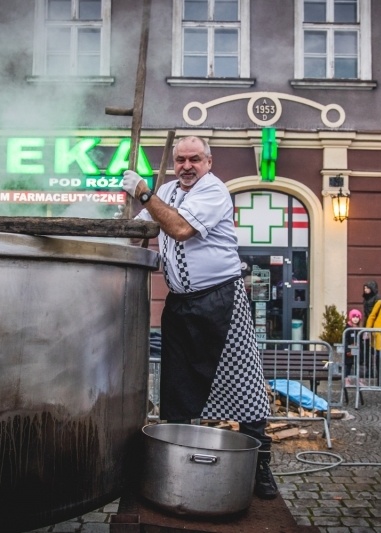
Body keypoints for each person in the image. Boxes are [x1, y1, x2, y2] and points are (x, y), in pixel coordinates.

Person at [120, 136, 278, 499]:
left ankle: (259, 470)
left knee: (244, 384)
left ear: (208, 161)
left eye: (194, 159)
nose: (187, 166)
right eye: (181, 160)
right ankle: (173, 468)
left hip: (222, 298)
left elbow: (179, 229)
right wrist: (125, 227)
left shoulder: (214, 190)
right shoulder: (168, 191)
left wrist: (144, 193)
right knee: (177, 388)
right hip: (181, 303)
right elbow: (142, 230)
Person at [343, 309, 362, 385]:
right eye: (354, 317)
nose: (355, 319)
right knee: (348, 366)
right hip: (349, 351)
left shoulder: (360, 329)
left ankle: (358, 380)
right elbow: (345, 340)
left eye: (357, 317)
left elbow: (362, 340)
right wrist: (347, 350)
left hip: (357, 351)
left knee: (357, 366)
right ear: (350, 318)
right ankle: (346, 379)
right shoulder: (347, 328)